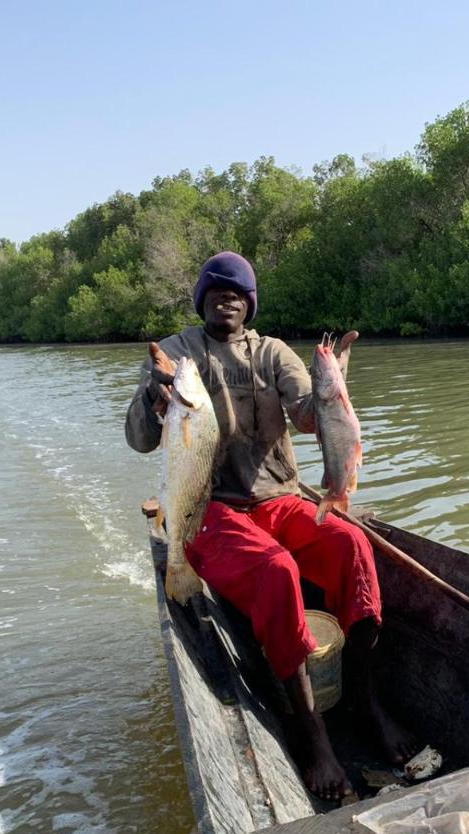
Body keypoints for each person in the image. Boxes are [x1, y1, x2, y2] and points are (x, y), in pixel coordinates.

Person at [125, 251, 417, 800]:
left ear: (250, 302)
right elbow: (140, 439)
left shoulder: (274, 353)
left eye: (237, 290)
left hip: (279, 499)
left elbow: (309, 416)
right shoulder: (175, 353)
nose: (226, 296)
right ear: (202, 299)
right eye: (215, 289)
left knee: (352, 543)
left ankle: (366, 697)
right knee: (278, 570)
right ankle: (313, 734)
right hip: (209, 507)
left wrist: (336, 381)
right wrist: (152, 394)